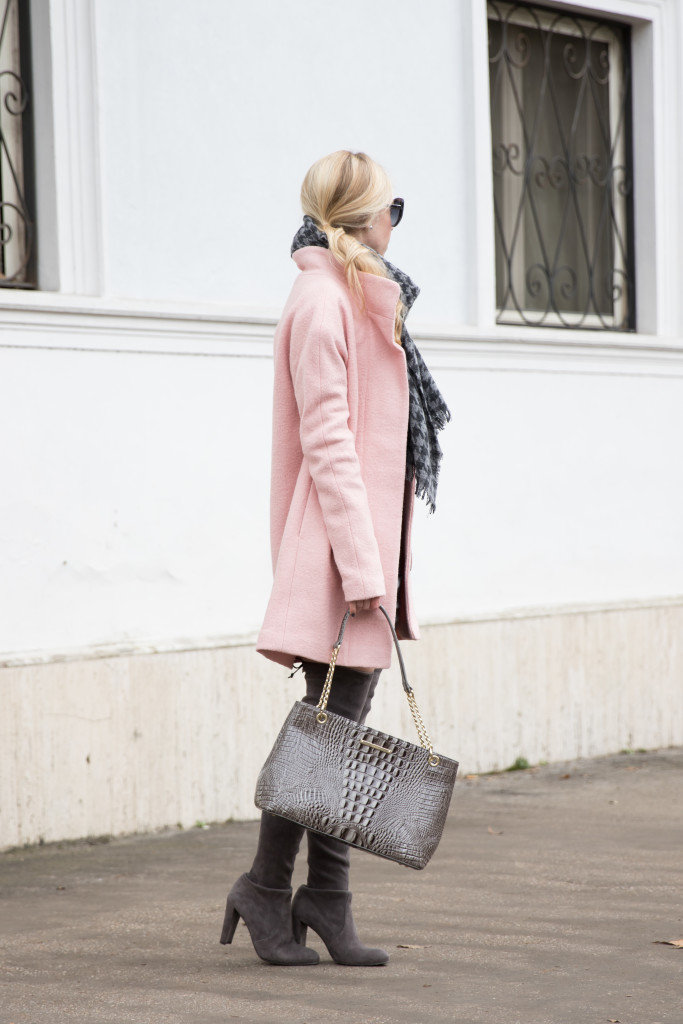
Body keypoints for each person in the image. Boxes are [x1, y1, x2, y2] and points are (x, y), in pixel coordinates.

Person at [220, 150, 450, 966]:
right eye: (394, 205)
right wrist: (363, 573)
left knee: (330, 733)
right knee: (327, 733)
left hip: (359, 556)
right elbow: (328, 445)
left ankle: (315, 896)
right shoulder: (323, 304)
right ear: (364, 215)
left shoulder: (357, 299)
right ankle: (278, 890)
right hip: (339, 559)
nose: (396, 219)